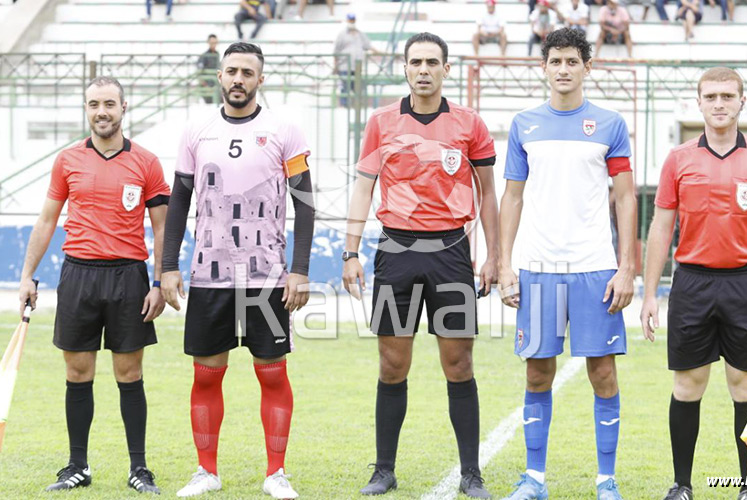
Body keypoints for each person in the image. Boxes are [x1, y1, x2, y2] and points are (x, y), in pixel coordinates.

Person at [342, 32, 499, 499]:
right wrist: (350, 252)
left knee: (459, 363)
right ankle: (384, 470)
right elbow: (363, 188)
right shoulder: (381, 121)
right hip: (396, 250)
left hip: (451, 251)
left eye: (432, 61)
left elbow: (489, 193)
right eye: (416, 62)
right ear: (405, 68)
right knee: (392, 364)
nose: (424, 69)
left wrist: (494, 255)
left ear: (446, 69)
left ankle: (471, 473)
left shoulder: (469, 123)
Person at [639, 67, 747, 500]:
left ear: (742, 102)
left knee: (745, 385)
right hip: (692, 283)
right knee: (687, 384)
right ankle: (682, 485)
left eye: (727, 96)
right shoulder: (678, 159)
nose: (719, 103)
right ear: (699, 103)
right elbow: (660, 228)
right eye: (710, 96)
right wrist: (650, 293)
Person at [160, 42, 315, 499]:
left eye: (247, 72)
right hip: (210, 276)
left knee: (273, 374)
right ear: (220, 76)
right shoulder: (197, 130)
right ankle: (206, 471)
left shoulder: (284, 129)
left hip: (267, 277)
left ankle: (276, 473)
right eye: (231, 71)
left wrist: (299, 270)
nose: (238, 79)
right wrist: (168, 266)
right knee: (206, 375)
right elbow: (179, 200)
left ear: (260, 79)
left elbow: (305, 204)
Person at [498, 27, 635, 500]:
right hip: (537, 268)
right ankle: (534, 479)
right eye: (555, 61)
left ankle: (606, 480)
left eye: (572, 61)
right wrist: (505, 264)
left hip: (595, 267)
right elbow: (512, 197)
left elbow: (625, 198)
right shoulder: (524, 125)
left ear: (587, 67)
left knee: (603, 373)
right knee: (538, 373)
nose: (563, 69)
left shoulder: (610, 125)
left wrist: (626, 267)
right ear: (544, 68)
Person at [18, 76, 170, 494]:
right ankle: (77, 465)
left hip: (129, 277)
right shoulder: (67, 160)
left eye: (109, 104)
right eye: (93, 104)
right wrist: (27, 275)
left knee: (129, 372)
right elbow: (47, 219)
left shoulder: (147, 162)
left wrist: (159, 281)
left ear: (124, 107)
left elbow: (162, 227)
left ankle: (139, 468)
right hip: (78, 275)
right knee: (77, 371)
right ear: (86, 109)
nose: (101, 112)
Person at [333, 12, 376, 107]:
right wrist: (335, 65)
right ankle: (345, 105)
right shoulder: (342, 34)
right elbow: (336, 50)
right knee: (345, 86)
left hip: (357, 66)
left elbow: (368, 45)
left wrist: (378, 51)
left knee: (356, 87)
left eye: (353, 20)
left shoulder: (360, 34)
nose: (351, 22)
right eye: (350, 20)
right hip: (344, 65)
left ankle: (356, 105)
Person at [197, 34, 220, 104]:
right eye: (212, 43)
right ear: (208, 42)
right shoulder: (204, 56)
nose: (213, 45)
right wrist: (206, 87)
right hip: (207, 88)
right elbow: (199, 73)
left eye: (215, 43)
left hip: (216, 86)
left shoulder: (217, 54)